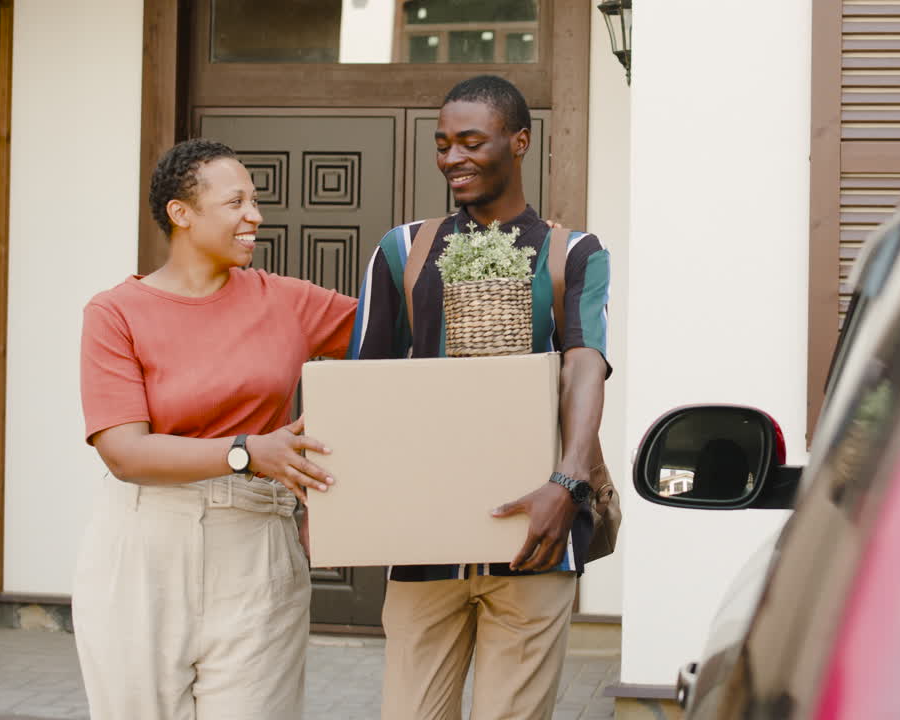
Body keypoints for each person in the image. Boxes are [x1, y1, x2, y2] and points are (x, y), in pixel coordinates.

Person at [350, 75, 613, 720]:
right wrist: (344, 502)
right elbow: (366, 384)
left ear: (519, 141)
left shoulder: (572, 252)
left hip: (537, 535)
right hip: (422, 544)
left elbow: (585, 363)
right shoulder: (403, 249)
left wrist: (567, 483)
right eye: (443, 145)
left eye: (472, 141)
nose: (453, 159)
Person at [74, 138, 356, 720]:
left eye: (254, 200)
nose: (255, 215)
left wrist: (520, 252)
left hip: (258, 546)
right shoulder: (115, 313)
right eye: (236, 203)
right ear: (182, 213)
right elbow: (123, 452)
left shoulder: (287, 302)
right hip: (144, 544)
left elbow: (402, 331)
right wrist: (247, 451)